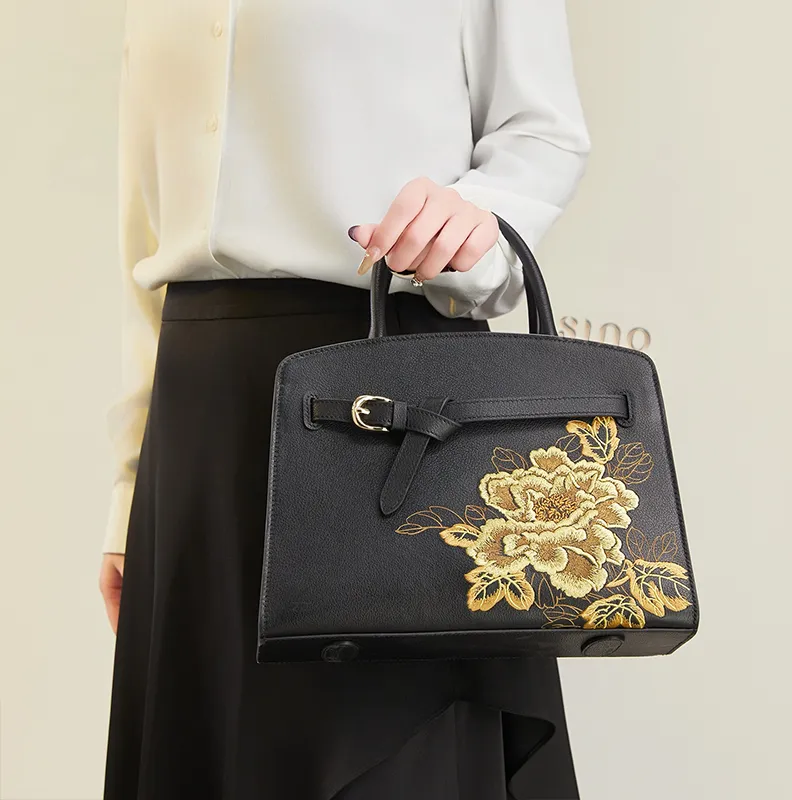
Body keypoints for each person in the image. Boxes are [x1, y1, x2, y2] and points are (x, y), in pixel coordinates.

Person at [98, 2, 591, 798]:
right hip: (197, 432)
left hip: (390, 415)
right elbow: (143, 240)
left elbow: (543, 132)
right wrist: (129, 493)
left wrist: (475, 224)